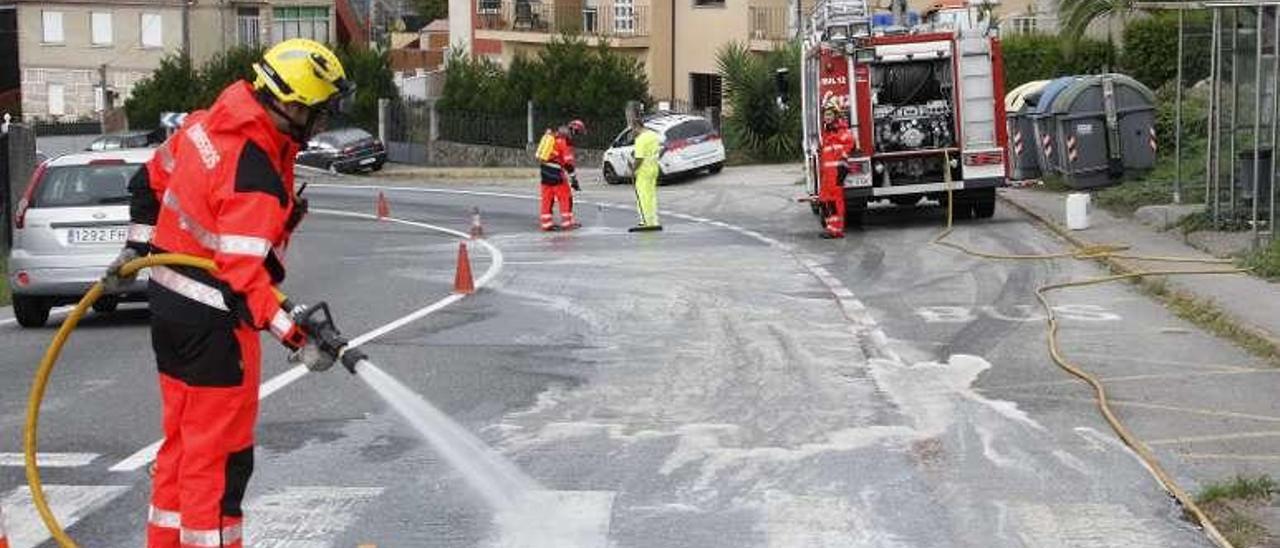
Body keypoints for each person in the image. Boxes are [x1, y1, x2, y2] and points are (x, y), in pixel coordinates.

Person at [103, 39, 353, 548]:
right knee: (219, 468)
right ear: (293, 106)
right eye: (322, 114)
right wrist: (296, 334)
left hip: (169, 312)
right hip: (214, 327)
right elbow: (242, 280)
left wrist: (135, 250)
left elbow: (147, 182)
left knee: (181, 449)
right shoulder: (254, 172)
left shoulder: (205, 125)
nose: (324, 125)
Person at [539, 120, 584, 231]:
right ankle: (567, 223)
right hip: (556, 171)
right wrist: (574, 179)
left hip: (544, 170)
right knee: (565, 197)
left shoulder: (554, 137)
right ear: (573, 130)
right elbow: (568, 163)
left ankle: (546, 224)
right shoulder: (564, 141)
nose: (576, 136)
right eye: (577, 133)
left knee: (547, 197)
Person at [818, 107, 855, 239]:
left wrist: (842, 162)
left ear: (835, 116)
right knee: (824, 200)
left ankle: (837, 230)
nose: (826, 117)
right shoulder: (827, 131)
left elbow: (850, 143)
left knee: (835, 201)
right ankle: (830, 228)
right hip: (827, 174)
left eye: (829, 114)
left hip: (836, 172)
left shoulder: (841, 130)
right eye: (825, 115)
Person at [628, 116, 662, 232]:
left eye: (632, 129)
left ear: (636, 127)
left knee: (643, 196)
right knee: (651, 196)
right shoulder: (653, 135)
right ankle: (653, 220)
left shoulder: (641, 139)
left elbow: (639, 159)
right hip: (654, 168)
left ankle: (645, 221)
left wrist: (632, 170)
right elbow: (658, 151)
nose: (632, 132)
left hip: (644, 171)